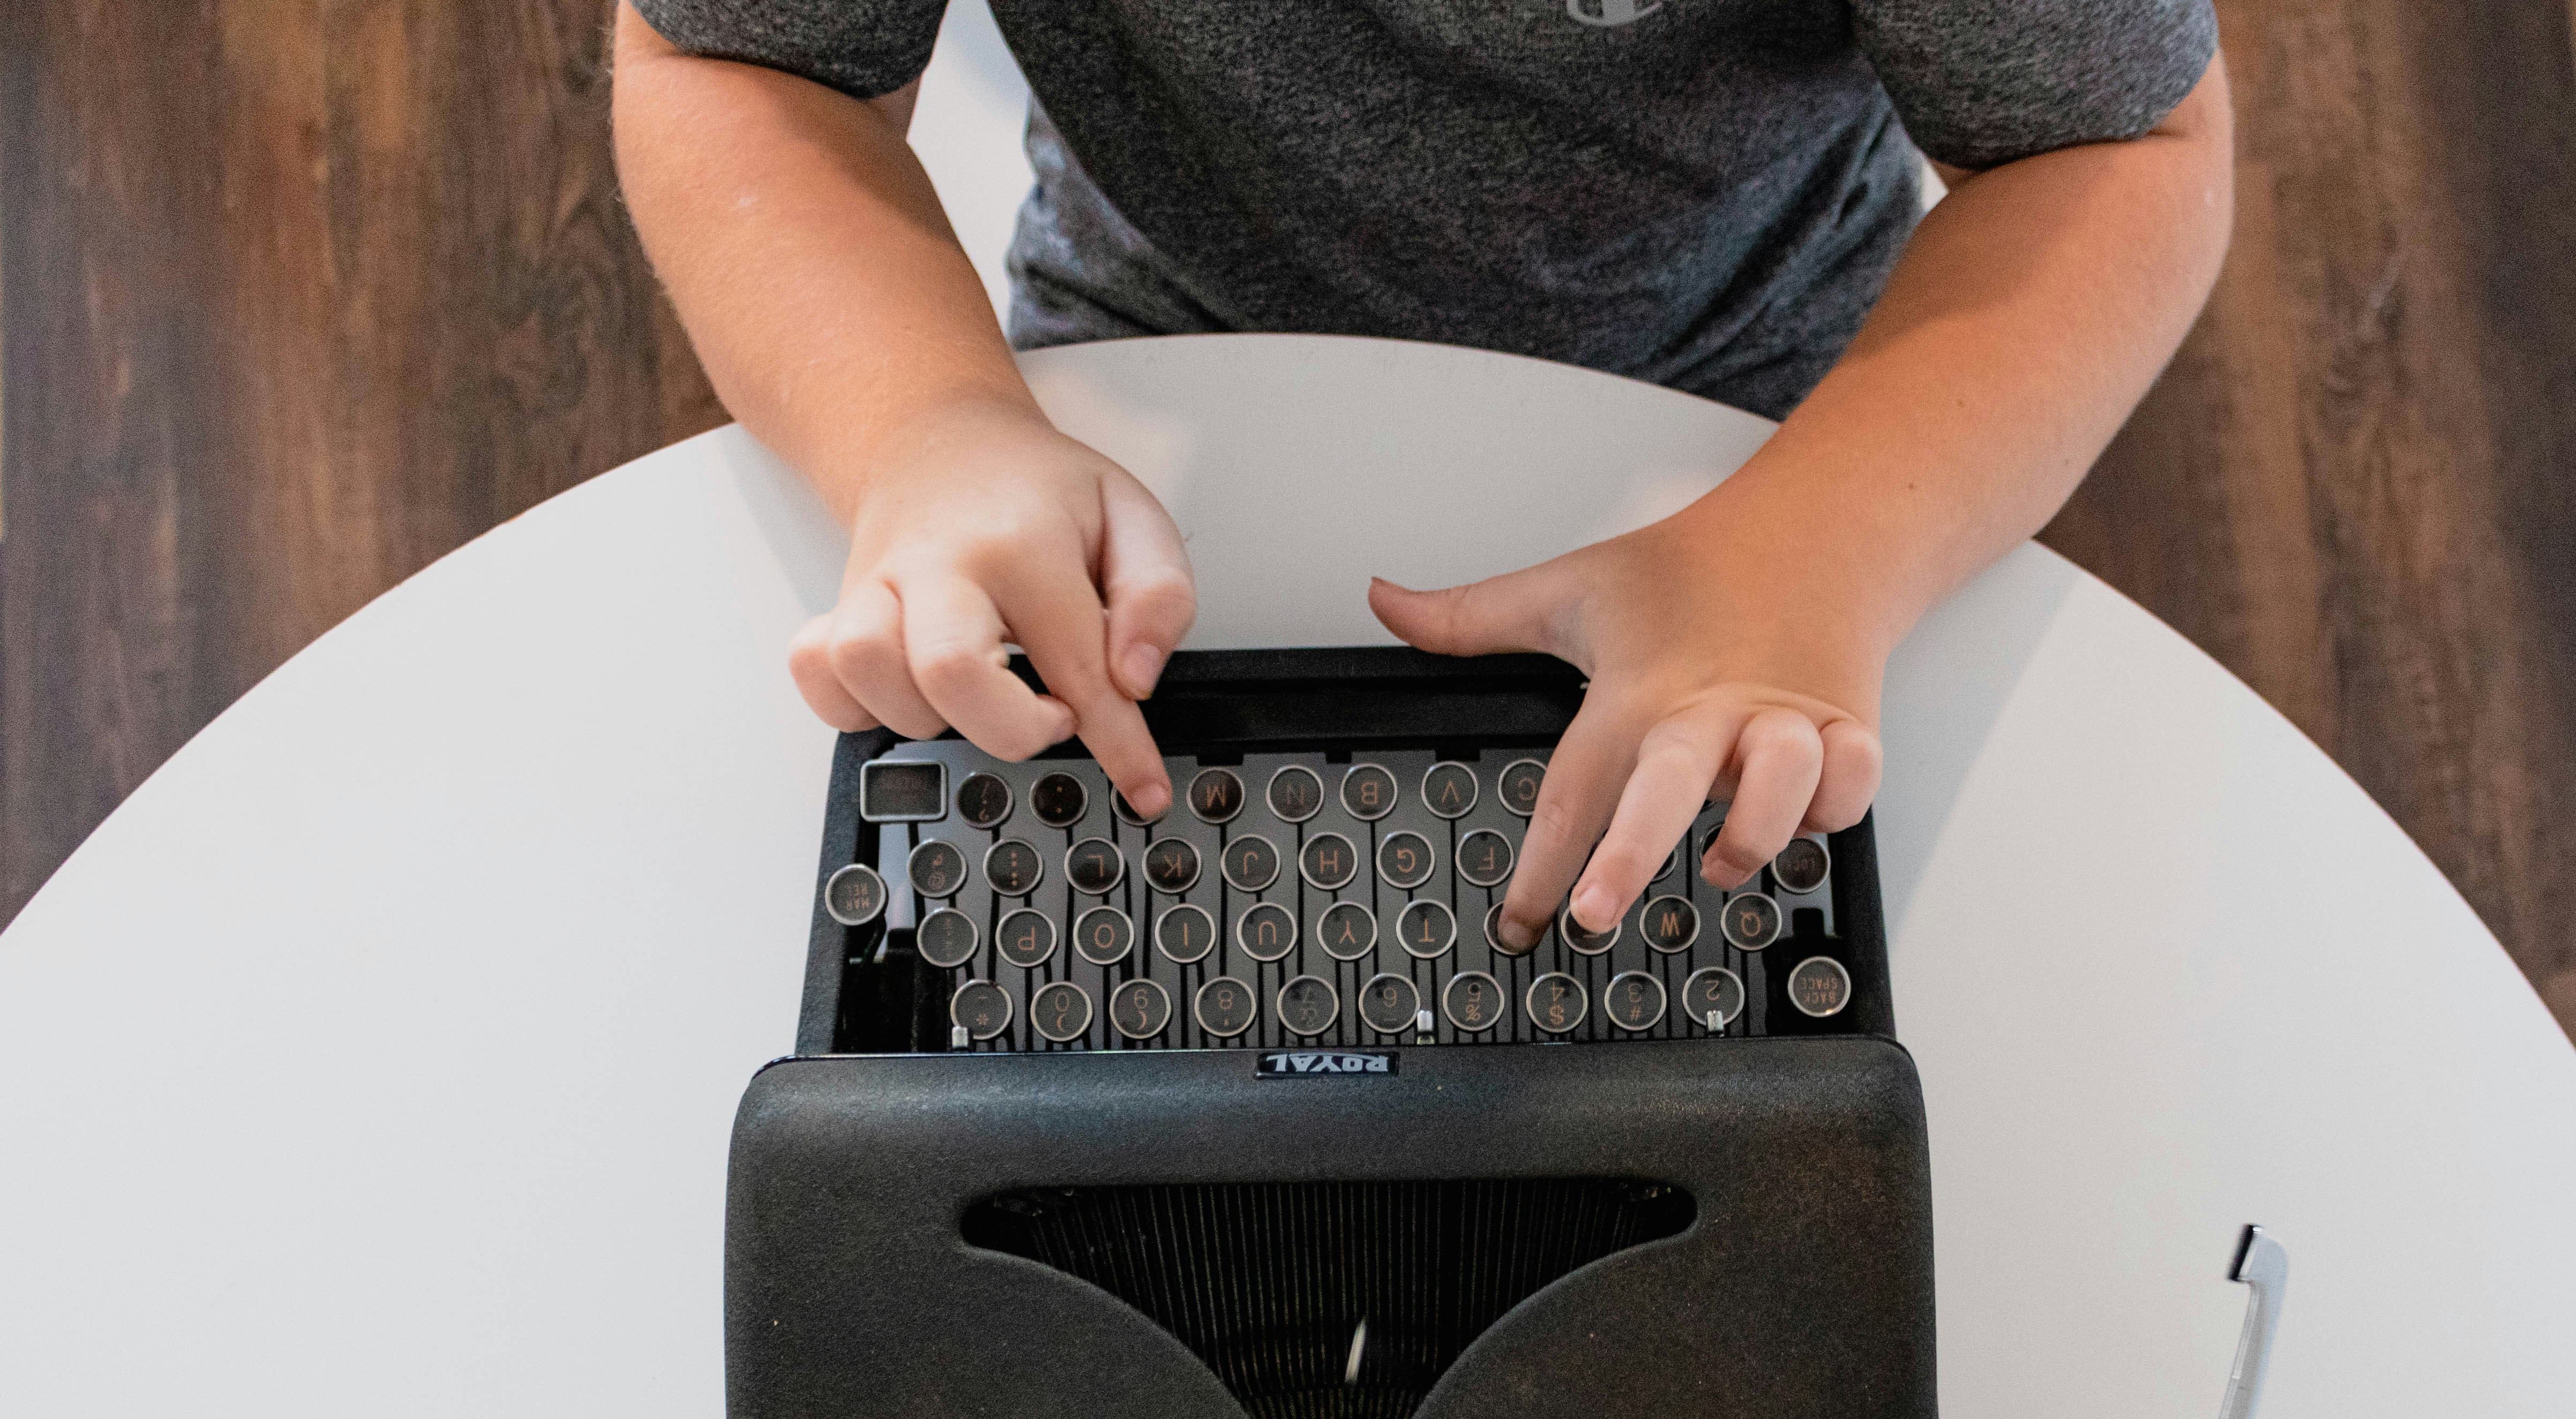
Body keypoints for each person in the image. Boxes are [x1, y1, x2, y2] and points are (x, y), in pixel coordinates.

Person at [611, 2, 2229, 949]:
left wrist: (1825, 549)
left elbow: (2115, 152)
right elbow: (743, 57)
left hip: (1768, 409)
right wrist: (917, 431)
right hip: (1149, 359)